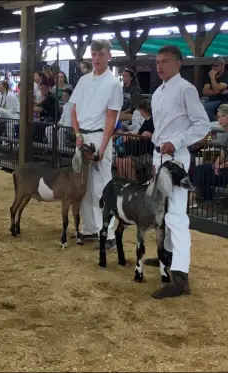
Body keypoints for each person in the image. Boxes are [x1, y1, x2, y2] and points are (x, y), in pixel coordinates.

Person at [147, 45, 210, 299]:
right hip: (159, 154)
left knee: (176, 214)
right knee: (162, 210)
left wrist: (179, 141)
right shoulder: (158, 92)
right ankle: (168, 256)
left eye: (164, 61)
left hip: (176, 158)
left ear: (178, 64)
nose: (159, 66)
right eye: (157, 62)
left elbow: (202, 124)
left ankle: (180, 275)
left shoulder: (186, 89)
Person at [69, 39, 123, 249]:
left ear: (109, 55)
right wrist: (77, 133)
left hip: (100, 136)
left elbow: (112, 117)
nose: (96, 58)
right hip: (82, 136)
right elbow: (73, 110)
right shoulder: (83, 80)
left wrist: (102, 147)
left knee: (102, 185)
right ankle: (90, 228)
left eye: (101, 54)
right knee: (82, 184)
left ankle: (107, 233)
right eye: (93, 54)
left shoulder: (113, 83)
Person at [192, 103, 228, 203]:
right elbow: (211, 142)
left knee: (203, 175)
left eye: (223, 116)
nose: (220, 119)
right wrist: (217, 164)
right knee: (199, 169)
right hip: (221, 161)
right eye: (219, 116)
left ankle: (200, 199)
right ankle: (200, 198)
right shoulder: (215, 128)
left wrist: (222, 165)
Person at [115, 98, 155, 181]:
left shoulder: (153, 122)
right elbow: (140, 134)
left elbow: (145, 136)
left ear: (142, 110)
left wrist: (130, 136)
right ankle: (123, 185)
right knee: (119, 161)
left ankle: (133, 186)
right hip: (137, 152)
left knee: (127, 162)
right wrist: (130, 134)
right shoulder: (146, 122)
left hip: (147, 153)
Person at [202, 57, 228, 121]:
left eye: (217, 65)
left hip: (223, 100)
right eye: (213, 65)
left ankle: (211, 127)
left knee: (207, 106)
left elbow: (217, 89)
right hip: (211, 99)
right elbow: (205, 91)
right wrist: (219, 91)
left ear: (223, 65)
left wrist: (212, 77)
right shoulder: (209, 76)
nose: (214, 67)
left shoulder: (227, 76)